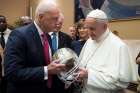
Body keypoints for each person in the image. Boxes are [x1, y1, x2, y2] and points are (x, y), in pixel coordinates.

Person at [4, 1, 66, 93]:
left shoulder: (47, 36)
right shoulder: (19, 35)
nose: (58, 22)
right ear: (41, 17)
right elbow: (12, 73)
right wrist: (46, 70)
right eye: (54, 19)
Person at [76, 9, 138, 93]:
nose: (89, 32)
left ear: (104, 26)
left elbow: (121, 83)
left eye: (92, 29)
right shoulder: (89, 41)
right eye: (87, 28)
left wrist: (89, 75)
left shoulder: (119, 46)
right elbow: (82, 65)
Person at [49, 13, 72, 93]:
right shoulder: (43, 36)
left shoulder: (67, 38)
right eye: (56, 23)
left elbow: (71, 60)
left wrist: (69, 79)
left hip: (61, 80)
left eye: (60, 23)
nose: (58, 25)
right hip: (46, 78)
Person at [0, 15, 11, 93]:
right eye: (0, 22)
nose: (1, 23)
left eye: (3, 22)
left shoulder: (13, 33)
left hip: (10, 67)